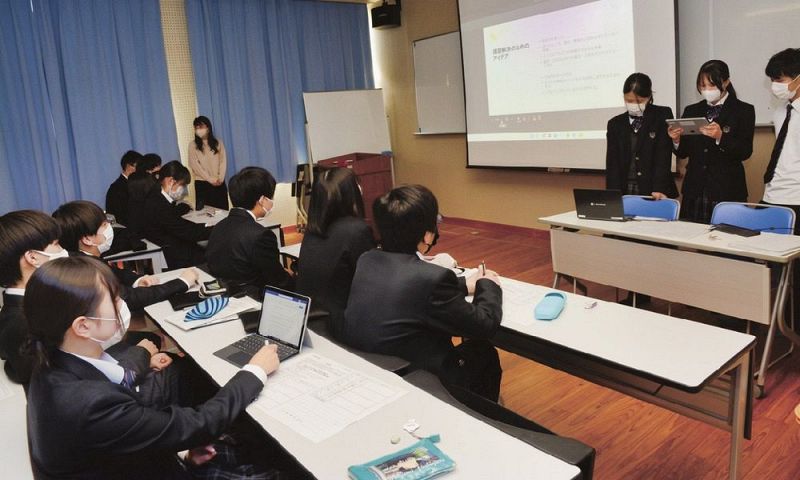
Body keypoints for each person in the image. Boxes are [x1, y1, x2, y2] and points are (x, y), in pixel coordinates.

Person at [24, 257, 280, 479]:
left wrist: (178, 452)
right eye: (114, 299)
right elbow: (201, 423)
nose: (122, 305)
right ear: (82, 326)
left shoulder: (49, 363)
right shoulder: (90, 404)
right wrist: (254, 371)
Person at [342, 185, 503, 400]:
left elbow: (409, 285)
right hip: (416, 376)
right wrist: (486, 284)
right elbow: (485, 325)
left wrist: (464, 284)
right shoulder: (432, 278)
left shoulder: (367, 259)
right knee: (484, 352)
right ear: (428, 235)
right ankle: (481, 416)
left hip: (374, 366)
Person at [53, 200, 200, 311]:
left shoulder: (84, 258)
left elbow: (115, 272)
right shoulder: (86, 270)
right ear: (87, 239)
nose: (109, 228)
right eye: (104, 225)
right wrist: (182, 282)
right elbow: (130, 298)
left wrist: (138, 280)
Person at [668, 60, 755, 223]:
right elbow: (683, 152)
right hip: (695, 189)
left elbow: (745, 151)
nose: (707, 90)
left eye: (712, 85)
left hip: (726, 189)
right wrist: (677, 140)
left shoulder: (743, 110)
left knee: (724, 242)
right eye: (702, 86)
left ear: (726, 82)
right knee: (692, 240)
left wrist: (721, 137)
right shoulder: (691, 110)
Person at [296, 167, 375, 338]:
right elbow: (370, 280)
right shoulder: (356, 230)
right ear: (351, 193)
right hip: (340, 321)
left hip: (311, 315)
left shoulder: (312, 229)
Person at [0, 210, 67, 384]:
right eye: (57, 244)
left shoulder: (35, 299)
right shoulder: (21, 321)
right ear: (33, 257)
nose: (63, 250)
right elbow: (53, 380)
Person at [206, 167, 293, 296]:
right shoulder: (261, 235)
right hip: (252, 296)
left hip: (222, 293)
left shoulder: (219, 225)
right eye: (271, 197)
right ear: (262, 200)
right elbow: (276, 280)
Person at [606, 73, 677, 199]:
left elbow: (663, 154)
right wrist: (612, 195)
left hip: (653, 188)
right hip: (624, 187)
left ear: (649, 97)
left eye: (639, 101)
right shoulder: (615, 124)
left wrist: (659, 188)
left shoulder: (661, 115)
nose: (634, 104)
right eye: (629, 100)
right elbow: (612, 163)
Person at [144, 161, 212, 269]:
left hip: (170, 242)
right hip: (171, 252)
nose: (184, 189)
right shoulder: (158, 204)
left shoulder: (156, 195)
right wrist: (216, 229)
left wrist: (205, 226)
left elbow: (177, 222)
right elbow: (186, 231)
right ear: (171, 181)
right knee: (210, 254)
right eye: (183, 185)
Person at [762, 48, 800, 233]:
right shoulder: (780, 111)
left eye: (779, 80)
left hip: (796, 198)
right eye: (772, 80)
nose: (775, 86)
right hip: (772, 194)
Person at [189, 116, 228, 210]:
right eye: (196, 128)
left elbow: (223, 161)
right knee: (205, 215)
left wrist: (220, 178)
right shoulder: (193, 145)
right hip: (203, 183)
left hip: (219, 183)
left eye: (201, 127)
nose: (198, 130)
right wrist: (210, 179)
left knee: (222, 211)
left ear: (208, 128)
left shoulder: (218, 142)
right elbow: (195, 165)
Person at [105, 150, 142, 226]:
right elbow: (121, 217)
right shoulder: (117, 188)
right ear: (129, 166)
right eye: (140, 166)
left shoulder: (134, 184)